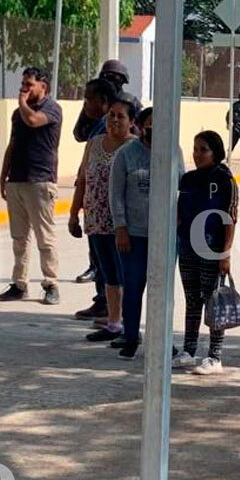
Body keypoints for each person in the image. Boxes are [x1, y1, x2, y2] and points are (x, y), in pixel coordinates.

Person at [69, 80, 138, 345]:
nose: (114, 121)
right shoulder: (94, 143)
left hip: (123, 223)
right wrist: (74, 213)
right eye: (111, 115)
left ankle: (129, 325)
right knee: (107, 274)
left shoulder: (135, 147)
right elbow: (82, 179)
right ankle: (113, 324)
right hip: (96, 220)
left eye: (121, 117)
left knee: (125, 275)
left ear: (132, 121)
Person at [111, 108, 183, 359]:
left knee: (162, 291)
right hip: (134, 234)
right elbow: (116, 194)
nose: (156, 129)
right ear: (140, 126)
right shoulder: (126, 155)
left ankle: (162, 339)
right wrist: (121, 228)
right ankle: (131, 336)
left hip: (166, 235)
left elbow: (181, 188)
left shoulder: (174, 151)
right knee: (133, 287)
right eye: (150, 125)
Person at [72, 61, 144, 288]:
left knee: (118, 269)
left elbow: (142, 131)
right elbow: (79, 134)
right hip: (96, 211)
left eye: (116, 77)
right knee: (101, 260)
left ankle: (113, 309)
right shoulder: (97, 112)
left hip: (121, 214)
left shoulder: (129, 104)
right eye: (108, 76)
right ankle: (102, 297)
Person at [173, 131, 239, 374]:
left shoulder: (224, 179)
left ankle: (215, 356)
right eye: (195, 148)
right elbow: (179, 211)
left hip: (212, 247)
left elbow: (230, 218)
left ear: (216, 152)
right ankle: (189, 350)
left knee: (213, 300)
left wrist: (225, 253)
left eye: (204, 149)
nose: (197, 154)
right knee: (192, 299)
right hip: (188, 246)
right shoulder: (188, 179)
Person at [0, 67, 64, 305]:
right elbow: (13, 144)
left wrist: (22, 102)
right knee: (19, 238)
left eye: (29, 84)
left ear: (43, 87)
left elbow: (34, 121)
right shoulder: (18, 114)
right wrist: (4, 175)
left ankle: (51, 283)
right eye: (23, 83)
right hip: (17, 180)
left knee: (44, 237)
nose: (24, 87)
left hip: (40, 180)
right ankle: (19, 283)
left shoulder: (51, 108)